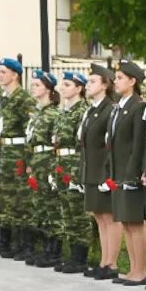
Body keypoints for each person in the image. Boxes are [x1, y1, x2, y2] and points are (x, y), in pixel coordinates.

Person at [107, 59, 146, 285]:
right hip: (119, 172)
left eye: (121, 78)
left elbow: (138, 143)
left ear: (133, 81)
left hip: (130, 173)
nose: (116, 81)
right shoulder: (120, 106)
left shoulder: (138, 106)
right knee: (125, 221)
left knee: (135, 223)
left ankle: (141, 271)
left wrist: (134, 174)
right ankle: (133, 269)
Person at [78, 65, 118, 279]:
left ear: (105, 84)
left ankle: (111, 263)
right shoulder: (92, 109)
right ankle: (104, 260)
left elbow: (110, 145)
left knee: (109, 216)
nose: (88, 85)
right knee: (99, 216)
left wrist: (108, 173)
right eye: (88, 81)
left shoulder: (109, 109)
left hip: (103, 169)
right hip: (91, 169)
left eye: (93, 81)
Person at [0, 58, 37, 258]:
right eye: (0, 72)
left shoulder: (23, 99)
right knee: (8, 198)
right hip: (5, 152)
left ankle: (26, 243)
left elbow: (29, 132)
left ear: (15, 75)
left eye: (4, 72)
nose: (0, 75)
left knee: (23, 199)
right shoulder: (4, 98)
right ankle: (9, 240)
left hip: (19, 153)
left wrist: (28, 160)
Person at [54, 72, 91, 273]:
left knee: (78, 211)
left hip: (74, 163)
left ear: (79, 89)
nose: (62, 88)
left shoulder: (81, 111)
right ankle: (71, 253)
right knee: (66, 210)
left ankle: (81, 256)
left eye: (67, 85)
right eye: (63, 84)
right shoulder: (64, 111)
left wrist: (77, 172)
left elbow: (81, 145)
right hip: (61, 162)